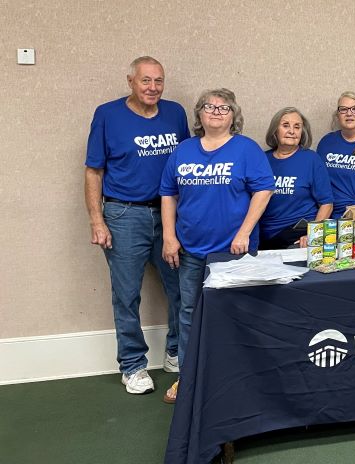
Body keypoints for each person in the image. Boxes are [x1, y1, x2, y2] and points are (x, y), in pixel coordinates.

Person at [160, 88, 275, 403]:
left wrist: (244, 232)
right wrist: (169, 236)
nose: (215, 111)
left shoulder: (246, 149)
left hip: (233, 252)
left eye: (224, 108)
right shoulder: (183, 151)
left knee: (236, 312)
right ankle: (188, 376)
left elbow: (264, 190)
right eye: (209, 106)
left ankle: (238, 375)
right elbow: (168, 193)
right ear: (199, 114)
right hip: (192, 250)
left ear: (233, 115)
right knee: (188, 312)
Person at [84, 56, 187, 395]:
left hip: (170, 215)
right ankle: (133, 365)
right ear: (130, 81)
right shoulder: (108, 115)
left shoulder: (176, 114)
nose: (152, 87)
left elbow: (188, 163)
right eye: (145, 81)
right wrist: (97, 220)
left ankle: (175, 351)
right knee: (126, 294)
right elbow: (93, 171)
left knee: (182, 288)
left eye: (158, 81)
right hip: (124, 215)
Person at [258, 107, 334, 249]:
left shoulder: (311, 159)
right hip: (263, 236)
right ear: (275, 130)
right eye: (285, 125)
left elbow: (327, 204)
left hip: (297, 236)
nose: (292, 131)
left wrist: (313, 234)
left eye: (297, 127)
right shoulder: (262, 159)